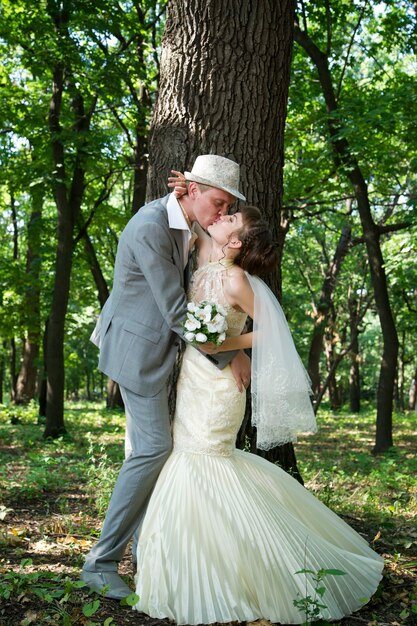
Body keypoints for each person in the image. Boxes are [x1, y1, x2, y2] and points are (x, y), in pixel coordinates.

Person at [133, 198, 384, 624]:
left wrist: (227, 347)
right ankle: (186, 564)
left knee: (206, 460)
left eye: (229, 218)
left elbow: (271, 329)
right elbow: (185, 224)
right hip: (191, 380)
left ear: (233, 240)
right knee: (186, 456)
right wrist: (179, 192)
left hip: (220, 389)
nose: (220, 217)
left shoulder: (235, 281)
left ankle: (234, 572)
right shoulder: (203, 260)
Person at [81, 155, 251, 600]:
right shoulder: (151, 227)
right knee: (155, 448)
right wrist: (230, 352)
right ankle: (100, 563)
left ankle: (146, 552)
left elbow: (208, 251)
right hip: (137, 352)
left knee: (146, 450)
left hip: (162, 350)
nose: (220, 214)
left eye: (226, 206)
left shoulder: (185, 215)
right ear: (193, 192)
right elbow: (177, 312)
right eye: (217, 202)